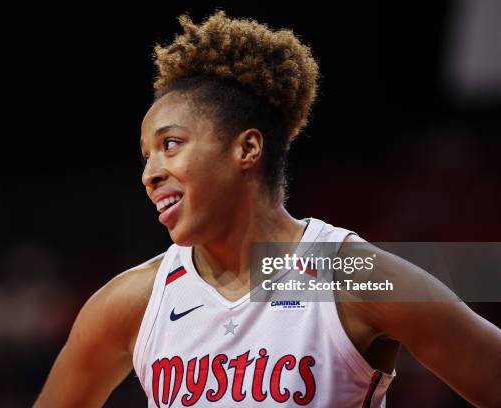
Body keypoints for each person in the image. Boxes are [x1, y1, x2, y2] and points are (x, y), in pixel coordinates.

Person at [34, 11, 501, 407]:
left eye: (170, 145)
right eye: (146, 156)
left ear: (247, 148)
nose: (150, 173)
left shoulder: (347, 275)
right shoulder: (131, 302)